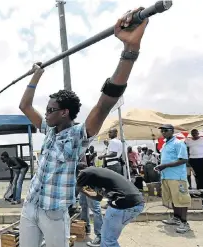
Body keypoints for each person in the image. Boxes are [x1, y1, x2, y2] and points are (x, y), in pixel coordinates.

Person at [18, 7, 148, 246]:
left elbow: (105, 102)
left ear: (64, 112)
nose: (45, 114)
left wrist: (130, 51)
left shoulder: (79, 135)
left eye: (49, 110)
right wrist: (36, 75)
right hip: (31, 207)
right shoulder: (48, 131)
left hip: (54, 214)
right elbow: (24, 105)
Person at [77, 167, 144, 246]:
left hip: (123, 204)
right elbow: (98, 198)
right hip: (137, 203)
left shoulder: (83, 173)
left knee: (108, 240)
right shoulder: (96, 175)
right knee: (106, 237)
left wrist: (81, 189)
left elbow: (77, 187)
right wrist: (85, 191)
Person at [155, 124, 191, 233]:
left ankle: (184, 223)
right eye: (162, 131)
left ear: (172, 131)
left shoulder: (178, 143)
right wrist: (160, 167)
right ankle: (176, 218)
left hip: (177, 177)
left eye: (166, 130)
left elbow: (183, 160)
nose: (163, 132)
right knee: (174, 199)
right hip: (167, 176)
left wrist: (165, 166)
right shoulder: (166, 144)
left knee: (182, 199)